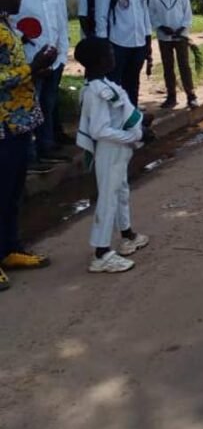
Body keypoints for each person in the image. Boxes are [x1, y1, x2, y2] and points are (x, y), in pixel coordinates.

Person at [74, 38, 152, 274]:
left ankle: (127, 234)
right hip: (110, 149)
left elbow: (120, 113)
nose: (113, 57)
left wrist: (139, 123)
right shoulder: (96, 92)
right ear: (98, 61)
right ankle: (101, 252)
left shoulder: (104, 84)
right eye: (109, 54)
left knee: (121, 191)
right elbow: (99, 130)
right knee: (108, 197)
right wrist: (134, 136)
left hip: (118, 149)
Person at [0, 0, 56, 291]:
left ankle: (10, 249)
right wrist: (29, 70)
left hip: (20, 123)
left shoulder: (7, 25)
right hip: (3, 127)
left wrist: (36, 71)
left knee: (12, 193)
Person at [12, 0, 68, 166]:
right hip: (32, 64)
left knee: (48, 105)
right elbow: (9, 23)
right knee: (30, 107)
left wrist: (61, 58)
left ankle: (47, 145)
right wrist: (22, 36)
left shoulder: (53, 1)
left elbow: (61, 28)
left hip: (53, 63)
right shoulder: (21, 0)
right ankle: (31, 154)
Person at [92, 0, 152, 107]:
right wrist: (104, 46)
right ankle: (115, 118)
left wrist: (148, 41)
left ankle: (132, 115)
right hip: (117, 44)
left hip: (138, 43)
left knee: (133, 83)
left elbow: (144, 14)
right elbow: (101, 18)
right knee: (114, 84)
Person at [149, 0, 198, 109]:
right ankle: (171, 96)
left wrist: (182, 29)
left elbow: (187, 15)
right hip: (164, 37)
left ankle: (191, 95)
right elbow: (151, 15)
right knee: (168, 66)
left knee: (184, 65)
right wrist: (161, 27)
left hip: (180, 35)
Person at [42, 0, 73, 145]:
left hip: (60, 51)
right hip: (49, 52)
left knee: (52, 97)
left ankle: (56, 132)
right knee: (46, 99)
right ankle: (47, 141)